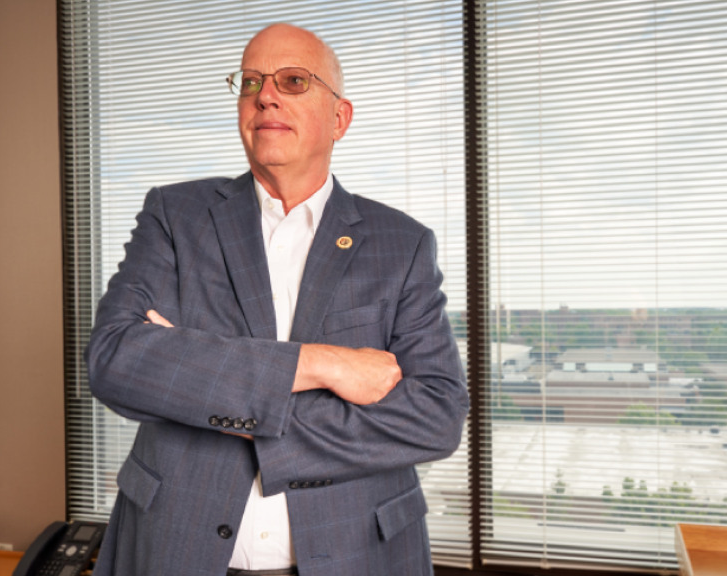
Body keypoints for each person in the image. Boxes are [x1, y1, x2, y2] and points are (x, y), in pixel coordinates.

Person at [85, 23, 468, 576]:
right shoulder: (175, 216)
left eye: (292, 81)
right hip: (175, 552)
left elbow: (435, 415)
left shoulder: (401, 244)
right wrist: (324, 364)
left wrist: (208, 391)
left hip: (356, 556)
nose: (265, 94)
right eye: (250, 82)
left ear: (340, 118)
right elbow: (117, 360)